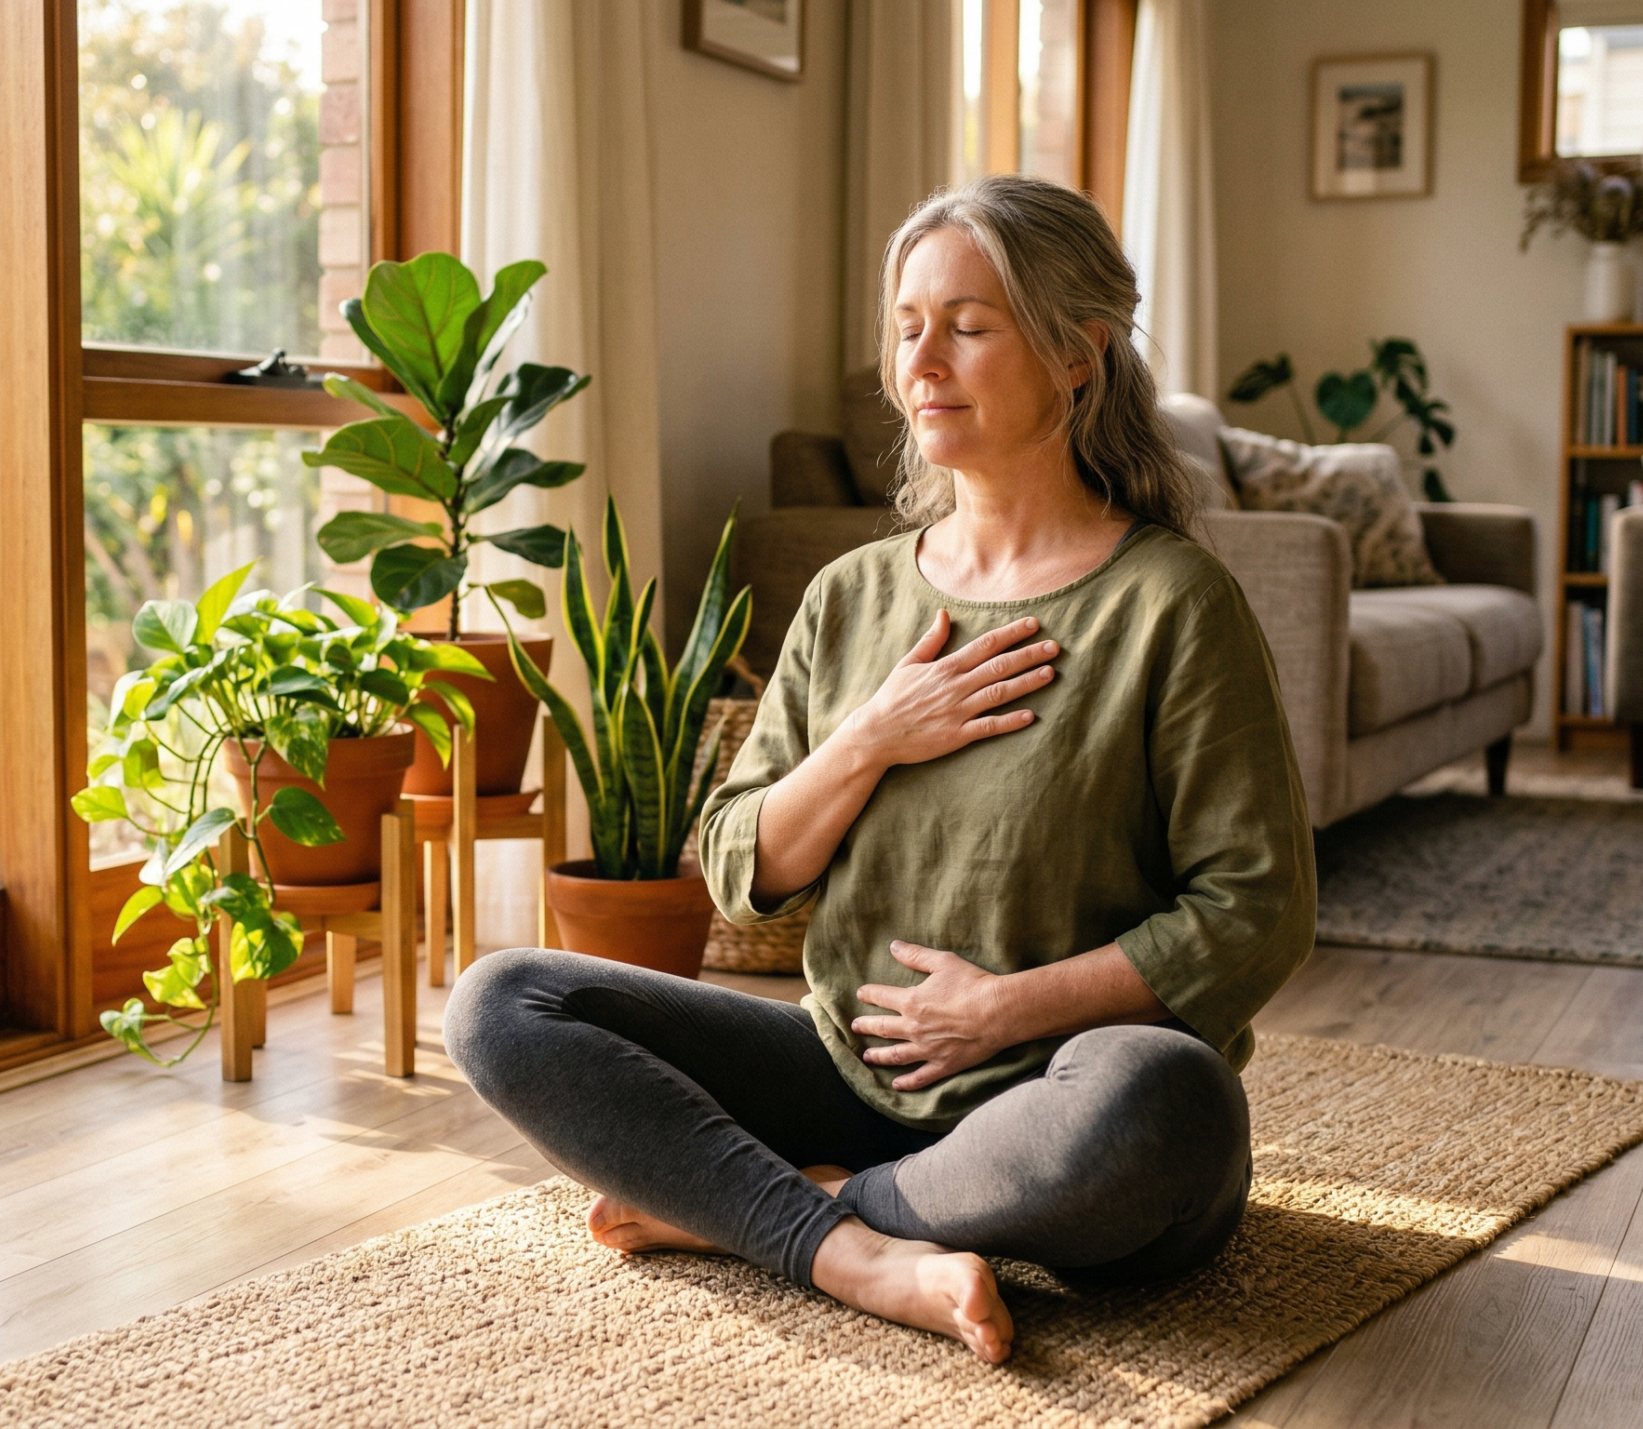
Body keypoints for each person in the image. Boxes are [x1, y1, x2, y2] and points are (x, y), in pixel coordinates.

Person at [444, 173, 1314, 1364]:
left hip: (1061, 1090)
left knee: (1170, 1105)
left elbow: (1256, 911)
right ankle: (855, 1248)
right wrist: (872, 734)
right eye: (907, 328)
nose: (923, 361)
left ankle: (770, 1208)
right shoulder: (855, 596)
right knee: (506, 1002)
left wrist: (1003, 1007)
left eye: (967, 325)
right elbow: (741, 865)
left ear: (1078, 354)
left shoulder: (1170, 602)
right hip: (847, 1065)